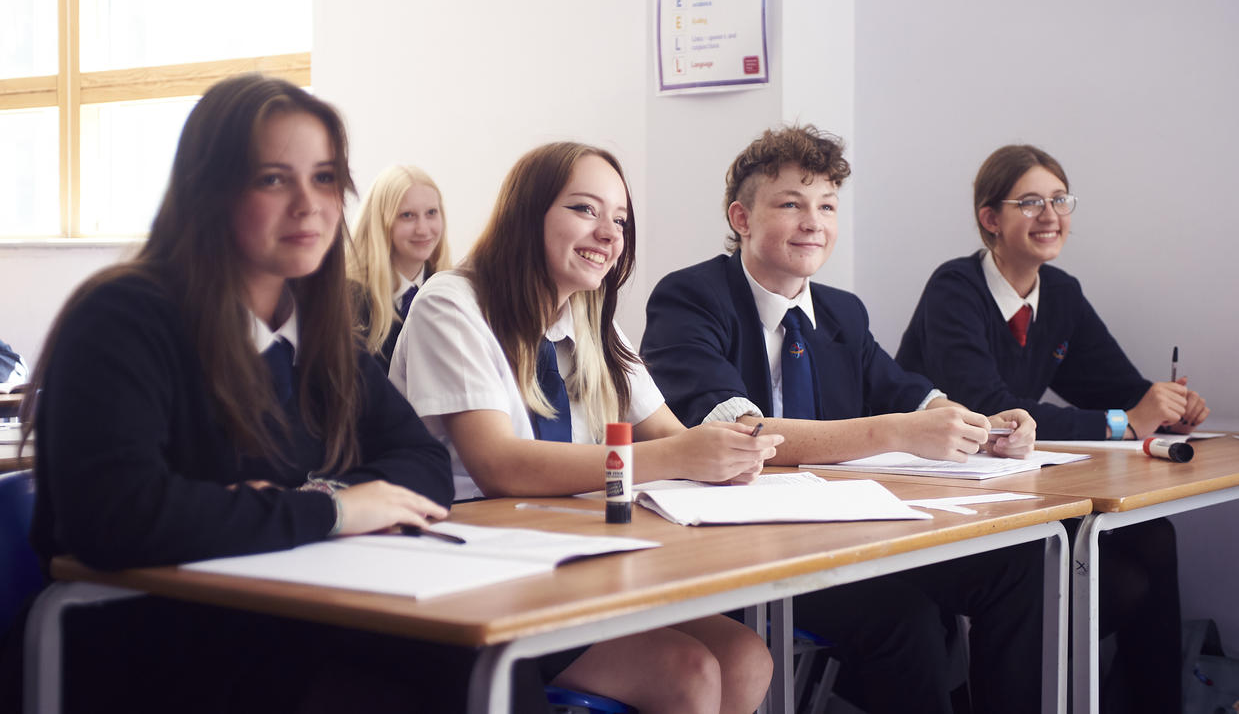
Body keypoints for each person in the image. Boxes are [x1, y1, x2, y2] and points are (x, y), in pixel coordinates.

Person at [14, 75, 467, 713]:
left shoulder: (317, 322)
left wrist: (313, 501)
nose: (310, 205)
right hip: (154, 644)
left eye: (326, 178)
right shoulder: (123, 318)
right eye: (274, 179)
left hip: (296, 618)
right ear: (210, 192)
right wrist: (334, 513)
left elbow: (421, 465)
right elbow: (118, 518)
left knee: (478, 672)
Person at [641, 124, 1042, 714]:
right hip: (744, 548)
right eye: (790, 204)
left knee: (1018, 565)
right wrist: (900, 430)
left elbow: (907, 392)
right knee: (904, 620)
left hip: (846, 533)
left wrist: (981, 427)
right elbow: (746, 437)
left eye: (827, 206)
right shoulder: (689, 298)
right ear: (742, 218)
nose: (814, 223)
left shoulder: (840, 311)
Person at [391, 141, 777, 714]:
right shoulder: (453, 303)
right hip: (476, 571)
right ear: (528, 213)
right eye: (584, 209)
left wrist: (730, 452)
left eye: (619, 218)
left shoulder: (592, 318)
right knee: (688, 672)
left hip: (572, 557)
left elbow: (670, 437)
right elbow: (499, 466)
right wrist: (683, 457)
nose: (609, 233)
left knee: (749, 657)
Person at [896, 143, 1205, 713]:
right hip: (943, 489)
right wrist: (1123, 421)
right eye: (1031, 201)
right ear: (991, 219)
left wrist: (1163, 405)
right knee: (1104, 584)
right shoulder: (954, 290)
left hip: (1014, 481)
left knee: (1153, 538)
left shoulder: (1060, 293)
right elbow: (988, 406)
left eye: (1061, 200)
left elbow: (1116, 387)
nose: (1051, 215)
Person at [348, 164, 451, 372]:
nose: (423, 229)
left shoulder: (452, 291)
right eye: (407, 215)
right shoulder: (349, 299)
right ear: (381, 222)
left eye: (431, 213)